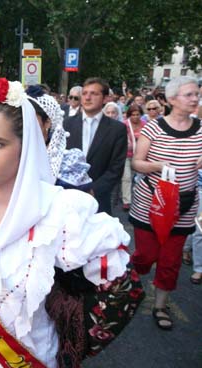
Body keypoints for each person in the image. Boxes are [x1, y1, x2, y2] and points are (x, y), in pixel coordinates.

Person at [0, 78, 130, 368]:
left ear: (25, 147)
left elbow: (121, 285)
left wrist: (76, 341)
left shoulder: (58, 211)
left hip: (32, 362)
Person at [129, 76, 202, 330]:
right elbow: (136, 163)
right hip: (150, 205)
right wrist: (159, 166)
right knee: (147, 255)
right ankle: (128, 283)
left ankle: (160, 306)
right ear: (171, 100)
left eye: (196, 94)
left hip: (183, 206)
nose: (195, 98)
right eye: (189, 94)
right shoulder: (153, 128)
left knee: (170, 260)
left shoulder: (201, 129)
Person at [64, 77, 128, 215]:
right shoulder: (66, 124)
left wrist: (93, 190)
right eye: (85, 93)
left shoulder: (117, 130)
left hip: (99, 199)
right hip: (68, 199)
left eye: (94, 94)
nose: (87, 97)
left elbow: (116, 167)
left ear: (105, 98)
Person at [121, 105, 146, 211]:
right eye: (133, 115)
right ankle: (127, 201)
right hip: (127, 154)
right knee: (126, 178)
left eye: (137, 115)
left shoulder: (144, 125)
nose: (135, 117)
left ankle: (141, 200)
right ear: (129, 115)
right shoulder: (125, 125)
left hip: (140, 155)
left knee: (141, 178)